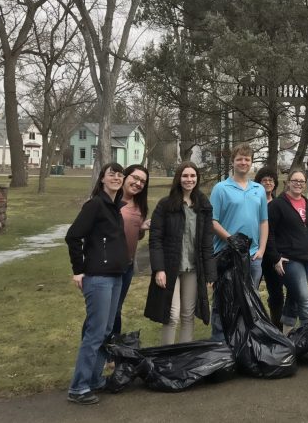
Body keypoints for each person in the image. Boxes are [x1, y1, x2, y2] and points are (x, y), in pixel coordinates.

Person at [65, 162, 128, 405]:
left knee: (105, 331)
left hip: (115, 276)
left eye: (119, 174)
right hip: (98, 278)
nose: (116, 177)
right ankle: (78, 387)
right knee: (94, 333)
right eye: (111, 174)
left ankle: (93, 379)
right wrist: (78, 270)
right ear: (102, 179)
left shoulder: (114, 207)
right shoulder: (95, 205)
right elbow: (73, 236)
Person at [144, 163, 216, 344]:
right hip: (170, 268)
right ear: (178, 178)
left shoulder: (204, 206)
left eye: (193, 176)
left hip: (193, 268)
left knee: (187, 315)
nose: (189, 180)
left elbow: (207, 242)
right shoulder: (165, 205)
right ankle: (166, 357)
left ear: (197, 178)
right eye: (185, 176)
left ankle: (184, 357)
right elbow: (155, 239)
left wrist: (210, 272)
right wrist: (159, 269)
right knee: (172, 315)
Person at [209, 143, 268, 341]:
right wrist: (230, 239)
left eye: (247, 159)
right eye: (239, 159)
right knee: (222, 301)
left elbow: (263, 221)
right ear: (232, 162)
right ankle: (219, 344)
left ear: (251, 162)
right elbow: (212, 221)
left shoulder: (258, 189)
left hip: (252, 256)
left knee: (250, 301)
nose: (243, 162)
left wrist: (262, 249)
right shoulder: (220, 188)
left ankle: (245, 343)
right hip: (226, 255)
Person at [266, 170, 308, 334]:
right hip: (289, 259)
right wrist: (275, 257)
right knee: (304, 298)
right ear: (287, 182)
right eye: (295, 180)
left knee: (293, 296)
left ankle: (286, 331)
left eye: (302, 181)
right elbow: (269, 232)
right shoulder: (277, 205)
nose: (298, 184)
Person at [113, 164, 151, 337]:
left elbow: (136, 237)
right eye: (135, 178)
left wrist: (141, 228)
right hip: (107, 266)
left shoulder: (140, 206)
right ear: (125, 177)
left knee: (117, 308)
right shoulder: (109, 200)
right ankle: (94, 353)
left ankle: (112, 352)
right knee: (102, 310)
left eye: (142, 181)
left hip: (127, 267)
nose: (138, 183)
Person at [254, 166, 284, 329]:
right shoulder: (253, 202)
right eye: (264, 180)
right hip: (254, 253)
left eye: (271, 180)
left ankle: (276, 326)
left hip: (272, 254)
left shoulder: (278, 204)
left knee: (276, 293)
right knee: (252, 291)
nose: (268, 183)